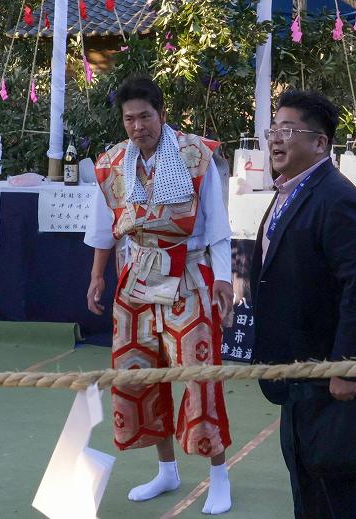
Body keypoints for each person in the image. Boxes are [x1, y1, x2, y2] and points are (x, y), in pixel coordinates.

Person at [83, 76, 233, 514]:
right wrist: (96, 276)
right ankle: (166, 470)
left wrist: (222, 279)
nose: (137, 126)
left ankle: (219, 475)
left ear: (162, 115)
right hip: (136, 279)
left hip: (188, 273)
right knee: (141, 375)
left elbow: (217, 227)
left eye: (145, 116)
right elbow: (102, 228)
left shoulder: (195, 156)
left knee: (199, 374)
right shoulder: (112, 163)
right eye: (129, 118)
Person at [250, 90, 356, 518]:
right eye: (274, 128)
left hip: (328, 379)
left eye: (288, 130)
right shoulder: (287, 191)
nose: (277, 139)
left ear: (321, 144)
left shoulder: (337, 197)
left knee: (338, 492)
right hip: (295, 374)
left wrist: (345, 368)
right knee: (307, 488)